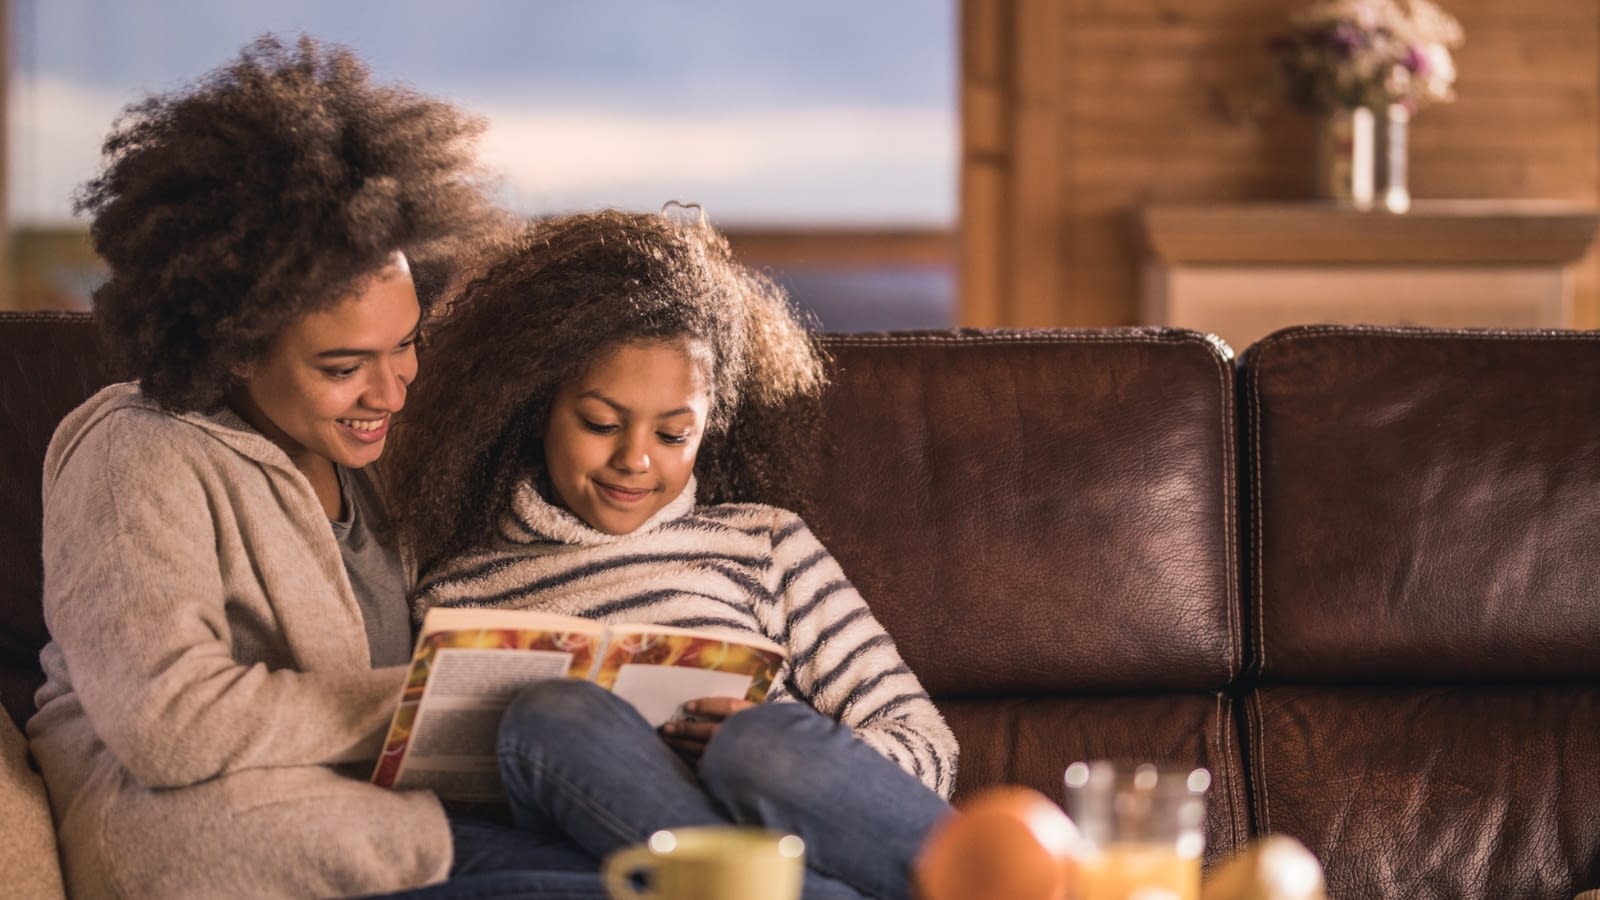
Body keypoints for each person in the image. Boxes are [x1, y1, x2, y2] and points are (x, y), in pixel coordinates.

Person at [23, 34, 605, 900]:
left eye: (406, 344)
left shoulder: (382, 460)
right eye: (343, 367)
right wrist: (436, 706)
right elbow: (166, 724)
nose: (392, 390)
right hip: (217, 842)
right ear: (234, 349)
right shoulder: (136, 455)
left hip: (392, 823)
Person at [383, 207, 959, 900]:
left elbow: (926, 745)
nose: (634, 460)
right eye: (601, 423)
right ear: (536, 408)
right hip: (599, 853)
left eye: (672, 435)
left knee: (757, 746)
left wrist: (779, 748)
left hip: (804, 831)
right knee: (554, 719)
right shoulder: (455, 589)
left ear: (709, 425)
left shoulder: (763, 544)